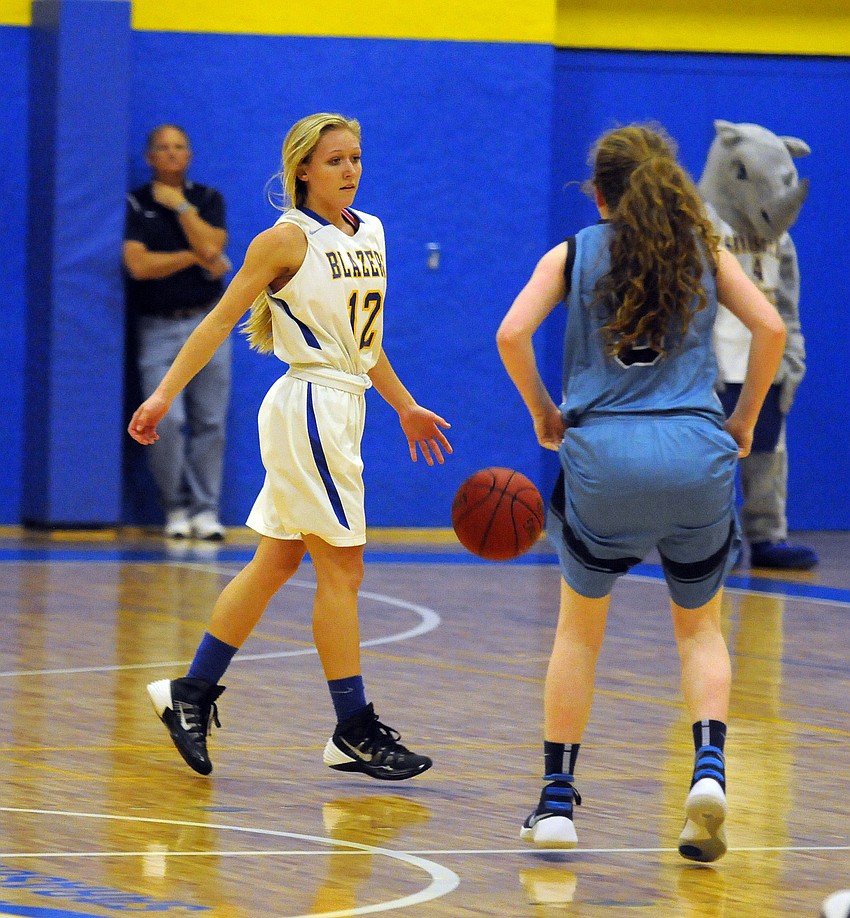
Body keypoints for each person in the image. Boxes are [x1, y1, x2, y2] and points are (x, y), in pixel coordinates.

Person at [129, 112, 452, 780]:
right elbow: (220, 321)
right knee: (343, 568)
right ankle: (353, 728)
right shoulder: (285, 240)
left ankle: (190, 692)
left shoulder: (374, 233)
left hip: (344, 404)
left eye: (356, 158)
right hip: (310, 407)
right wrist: (163, 395)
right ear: (303, 168)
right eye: (335, 160)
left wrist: (406, 405)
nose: (350, 170)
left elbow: (363, 345)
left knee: (276, 561)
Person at [497, 124, 786, 860]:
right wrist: (744, 418)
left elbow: (511, 334)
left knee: (578, 634)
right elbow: (770, 329)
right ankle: (710, 770)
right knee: (700, 630)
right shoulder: (705, 251)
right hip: (696, 453)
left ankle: (557, 803)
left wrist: (542, 412)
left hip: (605, 457)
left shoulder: (573, 253)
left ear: (597, 194)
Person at [124, 124, 232, 540]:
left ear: (189, 155)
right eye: (163, 148)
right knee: (166, 419)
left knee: (210, 421)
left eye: (179, 147)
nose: (172, 154)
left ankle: (207, 512)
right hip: (157, 326)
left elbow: (214, 248)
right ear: (150, 157)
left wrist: (182, 208)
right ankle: (176, 507)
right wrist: (197, 256)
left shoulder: (207, 199)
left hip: (207, 321)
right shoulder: (135, 204)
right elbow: (139, 265)